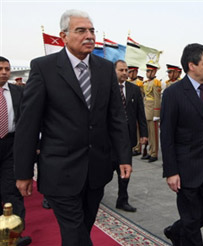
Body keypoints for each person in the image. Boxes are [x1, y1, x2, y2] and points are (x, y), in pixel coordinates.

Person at [13, 10, 131, 246]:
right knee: (75, 233)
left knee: (81, 230)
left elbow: (116, 117)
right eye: (81, 31)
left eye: (91, 30)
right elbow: (28, 124)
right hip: (60, 170)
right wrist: (23, 172)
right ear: (63, 36)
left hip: (97, 169)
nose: (89, 36)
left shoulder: (105, 69)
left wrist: (123, 157)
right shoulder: (44, 68)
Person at [161, 43, 203, 246]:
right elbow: (167, 135)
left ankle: (174, 231)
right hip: (185, 167)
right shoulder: (174, 93)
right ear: (192, 65)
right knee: (191, 221)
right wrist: (171, 171)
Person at [0, 56, 31, 246]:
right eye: (1, 68)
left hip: (12, 146)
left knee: (11, 190)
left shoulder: (18, 92)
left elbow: (26, 120)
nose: (4, 72)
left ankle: (15, 234)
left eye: (7, 69)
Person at [114, 60, 148, 212]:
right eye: (121, 70)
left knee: (126, 172)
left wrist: (144, 134)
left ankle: (122, 199)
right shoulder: (107, 88)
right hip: (109, 138)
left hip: (128, 137)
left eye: (126, 70)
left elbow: (141, 113)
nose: (125, 73)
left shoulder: (134, 89)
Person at [141, 63, 161, 163]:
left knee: (154, 135)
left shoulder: (156, 83)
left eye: (149, 71)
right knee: (149, 134)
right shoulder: (146, 83)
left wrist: (157, 114)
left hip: (153, 112)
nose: (147, 73)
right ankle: (149, 151)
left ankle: (154, 153)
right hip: (147, 111)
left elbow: (157, 99)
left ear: (154, 72)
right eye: (147, 71)